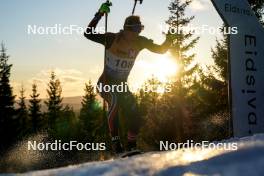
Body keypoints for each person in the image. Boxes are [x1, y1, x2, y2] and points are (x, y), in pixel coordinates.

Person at [84, 2, 171, 154]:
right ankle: (116, 144)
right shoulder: (111, 38)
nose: (138, 33)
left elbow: (161, 50)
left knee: (135, 114)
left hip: (122, 85)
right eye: (136, 30)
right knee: (115, 102)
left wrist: (170, 39)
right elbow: (88, 33)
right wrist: (99, 14)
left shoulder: (140, 41)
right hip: (105, 83)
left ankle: (131, 146)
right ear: (127, 30)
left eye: (140, 29)